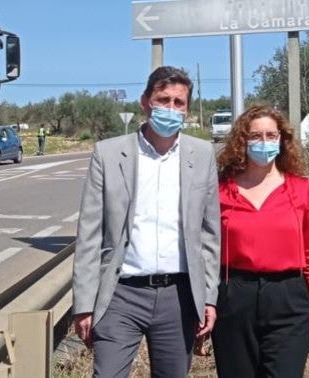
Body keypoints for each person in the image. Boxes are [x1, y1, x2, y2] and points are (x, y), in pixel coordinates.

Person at [71, 66, 220, 378]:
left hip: (178, 297)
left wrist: (208, 297)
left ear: (187, 108)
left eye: (179, 102)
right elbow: (90, 233)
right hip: (120, 293)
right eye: (162, 99)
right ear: (145, 102)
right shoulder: (109, 153)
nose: (170, 108)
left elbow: (209, 236)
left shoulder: (202, 154)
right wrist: (84, 303)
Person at [208, 104, 309, 377]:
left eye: (271, 135)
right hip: (235, 295)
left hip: (288, 298)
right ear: (242, 140)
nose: (264, 142)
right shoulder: (221, 190)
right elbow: (206, 253)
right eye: (255, 136)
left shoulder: (300, 189)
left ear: (282, 140)